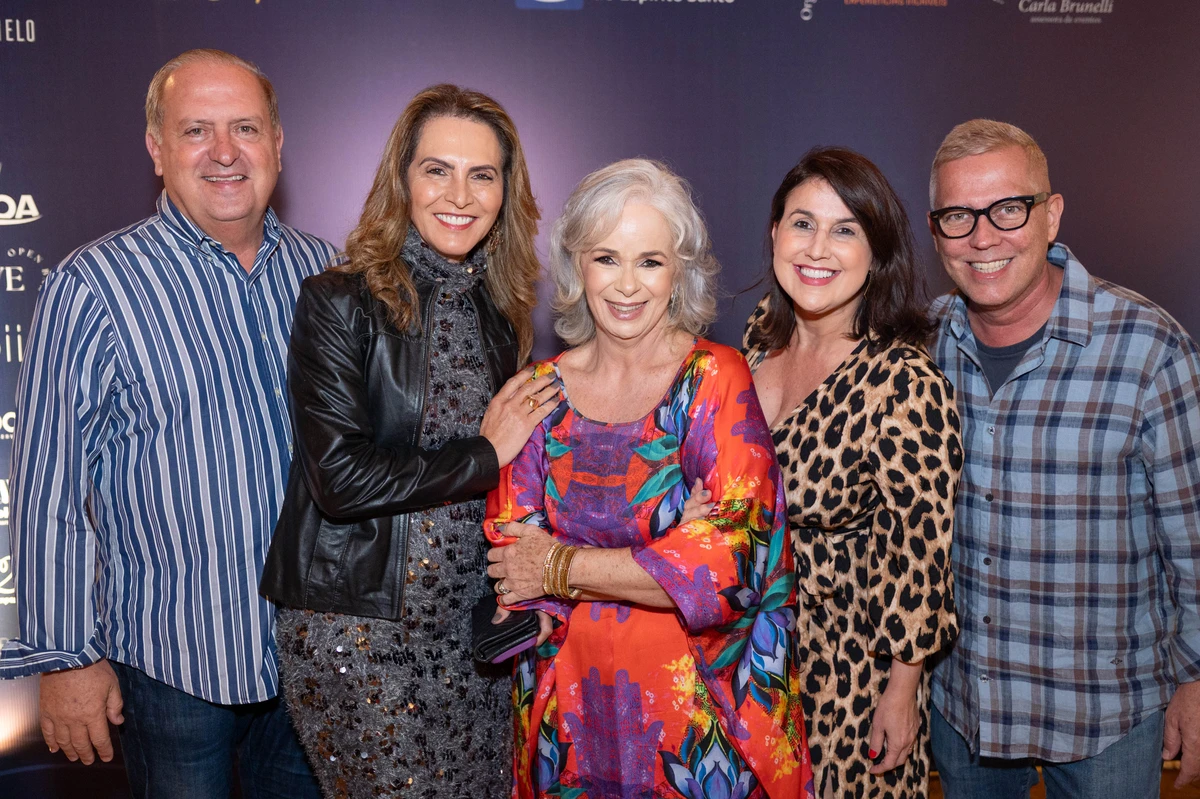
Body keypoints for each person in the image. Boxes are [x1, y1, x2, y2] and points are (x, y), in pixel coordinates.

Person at [0, 50, 335, 797]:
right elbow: (50, 489)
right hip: (173, 667)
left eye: (245, 127)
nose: (224, 152)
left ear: (278, 143)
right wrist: (65, 658)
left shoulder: (328, 273)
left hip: (314, 658)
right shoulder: (93, 286)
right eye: (195, 131)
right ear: (157, 149)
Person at [258, 84, 558, 799]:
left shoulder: (501, 312)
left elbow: (518, 474)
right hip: (358, 631)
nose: (459, 195)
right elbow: (341, 478)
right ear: (403, 179)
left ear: (505, 192)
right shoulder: (339, 300)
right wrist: (484, 454)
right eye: (437, 170)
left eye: (482, 175)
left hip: (470, 632)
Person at [483, 158, 815, 799]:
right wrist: (661, 553)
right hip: (570, 719)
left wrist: (560, 563)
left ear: (679, 272)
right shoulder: (537, 393)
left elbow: (728, 564)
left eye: (651, 261)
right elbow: (515, 569)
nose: (627, 285)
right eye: (607, 258)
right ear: (577, 266)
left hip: (702, 727)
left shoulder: (716, 378)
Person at [925, 119, 1200, 798]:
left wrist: (1196, 679)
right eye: (958, 216)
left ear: (1051, 215)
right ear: (936, 232)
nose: (982, 237)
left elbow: (1194, 540)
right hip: (964, 708)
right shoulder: (924, 344)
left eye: (1008, 209)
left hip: (1106, 716)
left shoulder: (1149, 348)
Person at [709, 147, 961, 799]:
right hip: (743, 653)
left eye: (845, 229)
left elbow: (919, 558)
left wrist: (900, 694)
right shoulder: (757, 342)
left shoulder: (904, 381)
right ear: (775, 233)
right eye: (803, 223)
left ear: (875, 253)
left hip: (846, 672)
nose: (817, 248)